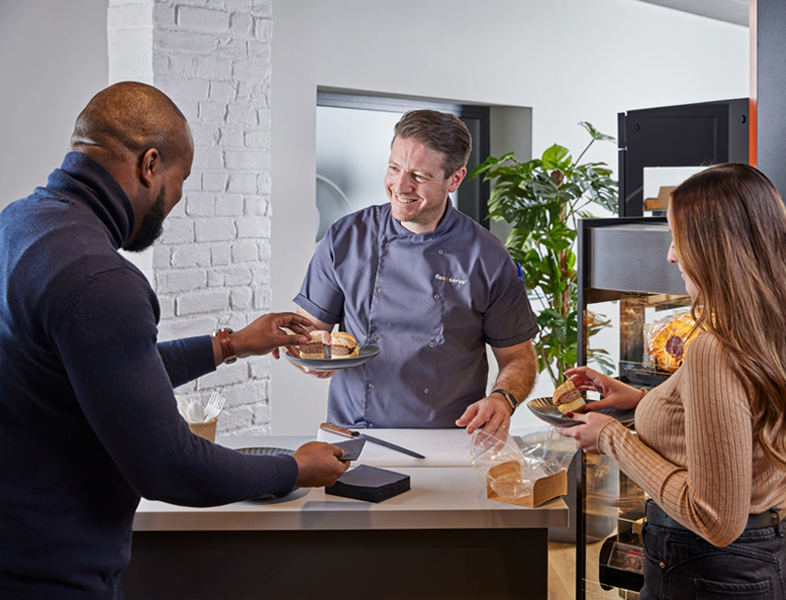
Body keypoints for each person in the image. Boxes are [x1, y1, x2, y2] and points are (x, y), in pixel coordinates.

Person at [0, 82, 349, 599]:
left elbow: (104, 374)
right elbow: (170, 467)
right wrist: (294, 467)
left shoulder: (21, 223)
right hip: (50, 577)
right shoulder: (100, 277)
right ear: (150, 165)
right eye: (180, 180)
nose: (177, 201)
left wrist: (229, 344)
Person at [557, 163, 786, 599]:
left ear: (716, 248)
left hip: (710, 569)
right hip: (767, 555)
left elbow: (714, 518)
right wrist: (642, 400)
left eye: (680, 239)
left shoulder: (715, 346)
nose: (671, 255)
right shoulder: (783, 321)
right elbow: (739, 423)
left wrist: (612, 437)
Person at [293, 109, 538, 434]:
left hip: (449, 441)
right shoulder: (346, 238)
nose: (400, 185)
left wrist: (503, 398)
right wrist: (312, 352)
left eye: (419, 177)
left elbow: (519, 357)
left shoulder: (487, 257)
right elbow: (306, 332)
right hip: (352, 436)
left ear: (455, 179)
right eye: (394, 168)